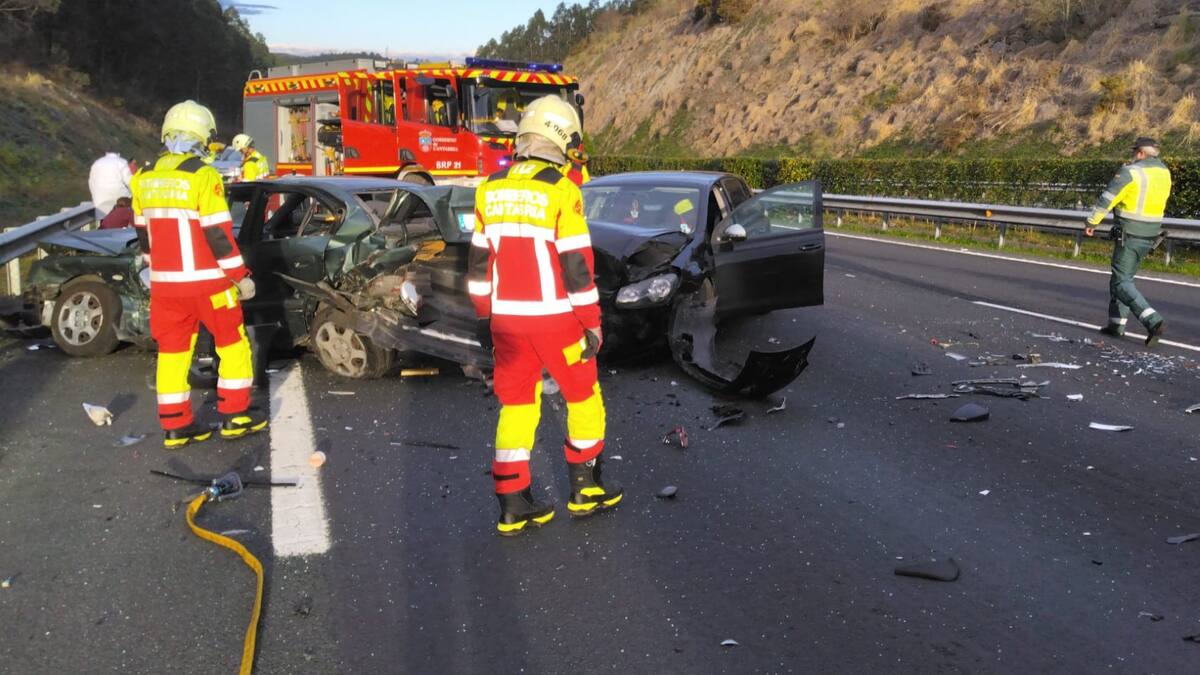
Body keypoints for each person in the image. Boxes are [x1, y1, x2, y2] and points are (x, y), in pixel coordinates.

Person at [468, 95, 622, 536]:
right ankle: (586, 487)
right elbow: (577, 267)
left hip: (506, 323)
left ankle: (513, 503)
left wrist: (485, 320)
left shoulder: (489, 188)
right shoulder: (561, 190)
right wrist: (591, 321)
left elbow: (479, 266)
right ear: (558, 135)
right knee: (582, 397)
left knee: (516, 406)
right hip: (557, 321)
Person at [132, 100, 268, 449]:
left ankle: (176, 425)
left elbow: (142, 233)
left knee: (173, 352)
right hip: (209, 283)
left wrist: (152, 265)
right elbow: (217, 234)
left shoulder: (143, 178)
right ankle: (235, 416)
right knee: (232, 344)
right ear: (201, 137)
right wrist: (240, 275)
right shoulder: (202, 176)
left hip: (165, 287)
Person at [1085, 136, 1172, 347]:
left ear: (1141, 153)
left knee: (1121, 281)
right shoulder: (1164, 173)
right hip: (1151, 234)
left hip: (1129, 233)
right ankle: (1116, 325)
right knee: (1125, 278)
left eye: (1135, 152)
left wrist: (1092, 222)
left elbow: (1108, 198)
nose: (1133, 155)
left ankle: (1153, 320)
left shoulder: (1131, 172)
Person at [88, 151, 132, 217]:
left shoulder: (97, 163)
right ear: (118, 154)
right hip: (119, 196)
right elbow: (129, 181)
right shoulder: (122, 162)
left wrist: (94, 195)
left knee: (103, 220)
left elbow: (91, 182)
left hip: (100, 198)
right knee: (121, 219)